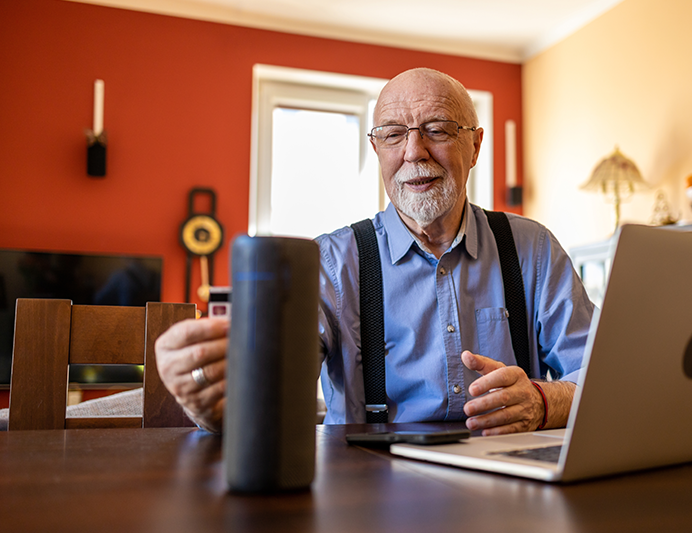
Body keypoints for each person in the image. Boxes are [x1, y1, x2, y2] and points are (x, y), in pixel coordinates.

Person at [154, 68, 594, 436]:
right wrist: (212, 403)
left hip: (512, 490)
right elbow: (273, 402)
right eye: (392, 134)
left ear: (475, 145)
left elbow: (602, 380)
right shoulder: (329, 262)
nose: (413, 152)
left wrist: (541, 400)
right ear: (376, 148)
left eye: (437, 130)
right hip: (368, 491)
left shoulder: (532, 248)